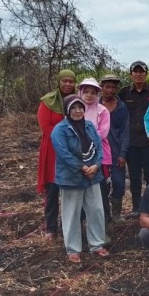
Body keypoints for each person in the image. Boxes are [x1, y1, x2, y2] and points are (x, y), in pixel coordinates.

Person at [50, 95, 109, 263]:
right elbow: (63, 154)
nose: (78, 111)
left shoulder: (89, 126)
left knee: (96, 210)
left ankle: (97, 245)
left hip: (93, 175)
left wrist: (96, 165)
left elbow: (99, 148)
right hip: (71, 177)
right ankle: (73, 249)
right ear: (67, 110)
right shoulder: (60, 130)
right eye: (74, 108)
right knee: (72, 213)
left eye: (80, 108)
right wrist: (82, 167)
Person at [119, 61, 149, 218]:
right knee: (135, 177)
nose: (138, 74)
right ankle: (137, 207)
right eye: (135, 72)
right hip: (131, 142)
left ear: (146, 74)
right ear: (130, 74)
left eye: (141, 72)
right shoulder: (123, 93)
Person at [37, 69, 76, 239]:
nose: (67, 84)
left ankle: (70, 226)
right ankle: (51, 227)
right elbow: (45, 126)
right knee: (52, 189)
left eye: (71, 81)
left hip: (73, 148)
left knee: (71, 190)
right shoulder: (48, 101)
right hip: (53, 149)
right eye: (64, 81)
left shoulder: (76, 101)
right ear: (59, 82)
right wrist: (66, 136)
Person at [79, 77, 111, 229]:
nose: (90, 95)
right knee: (79, 193)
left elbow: (103, 133)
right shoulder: (76, 109)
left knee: (101, 193)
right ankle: (78, 228)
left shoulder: (102, 111)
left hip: (99, 156)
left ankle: (103, 227)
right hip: (79, 157)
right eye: (86, 92)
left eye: (93, 92)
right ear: (81, 92)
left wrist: (83, 135)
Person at [100, 74, 130, 224]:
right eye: (107, 87)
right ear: (101, 87)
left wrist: (123, 153)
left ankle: (116, 212)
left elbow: (125, 131)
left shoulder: (122, 106)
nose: (111, 90)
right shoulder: (95, 106)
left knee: (119, 183)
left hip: (116, 152)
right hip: (99, 154)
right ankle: (104, 215)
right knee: (102, 185)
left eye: (114, 87)